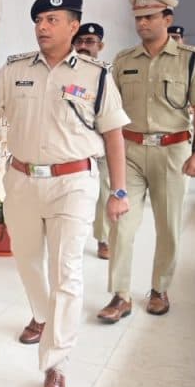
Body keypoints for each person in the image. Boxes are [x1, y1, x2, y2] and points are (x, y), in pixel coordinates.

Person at [0, 0, 129, 387]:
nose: (42, 27)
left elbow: (114, 134)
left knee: (67, 272)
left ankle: (56, 366)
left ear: (73, 26)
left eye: (52, 20)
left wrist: (119, 191)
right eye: (39, 20)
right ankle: (43, 316)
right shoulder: (16, 69)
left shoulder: (97, 76)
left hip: (73, 182)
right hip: (23, 179)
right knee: (26, 262)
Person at [98, 0, 195, 323]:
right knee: (121, 224)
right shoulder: (124, 60)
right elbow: (109, 109)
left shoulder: (191, 59)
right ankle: (120, 295)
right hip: (129, 152)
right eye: (138, 18)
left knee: (168, 227)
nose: (142, 23)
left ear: (167, 19)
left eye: (149, 17)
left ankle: (159, 289)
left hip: (172, 152)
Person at [72, 22, 111, 261]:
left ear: (100, 46)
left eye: (90, 42)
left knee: (104, 192)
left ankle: (103, 239)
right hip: (73, 144)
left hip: (102, 144)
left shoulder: (108, 74)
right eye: (79, 41)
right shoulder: (66, 71)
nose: (83, 46)